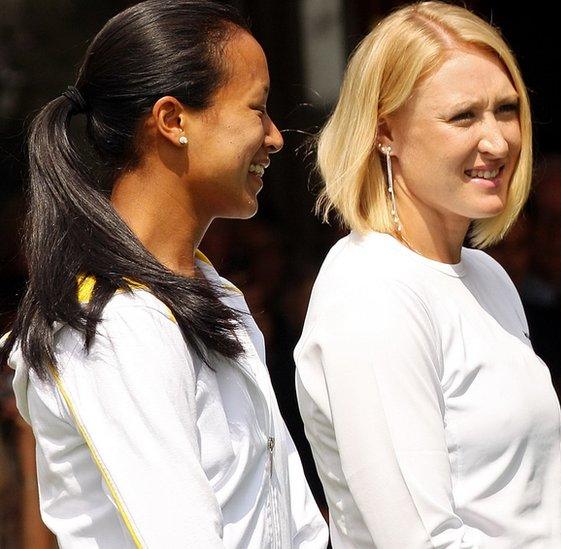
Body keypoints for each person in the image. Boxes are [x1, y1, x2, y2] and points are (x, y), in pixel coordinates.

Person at [0, 1, 329, 546]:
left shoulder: (213, 291)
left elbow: (290, 515)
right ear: (173, 120)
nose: (274, 137)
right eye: (257, 109)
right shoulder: (110, 323)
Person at [294, 2, 561, 547]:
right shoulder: (372, 289)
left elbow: (539, 510)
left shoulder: (488, 277)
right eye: (463, 117)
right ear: (385, 131)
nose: (498, 141)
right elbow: (418, 538)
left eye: (506, 109)